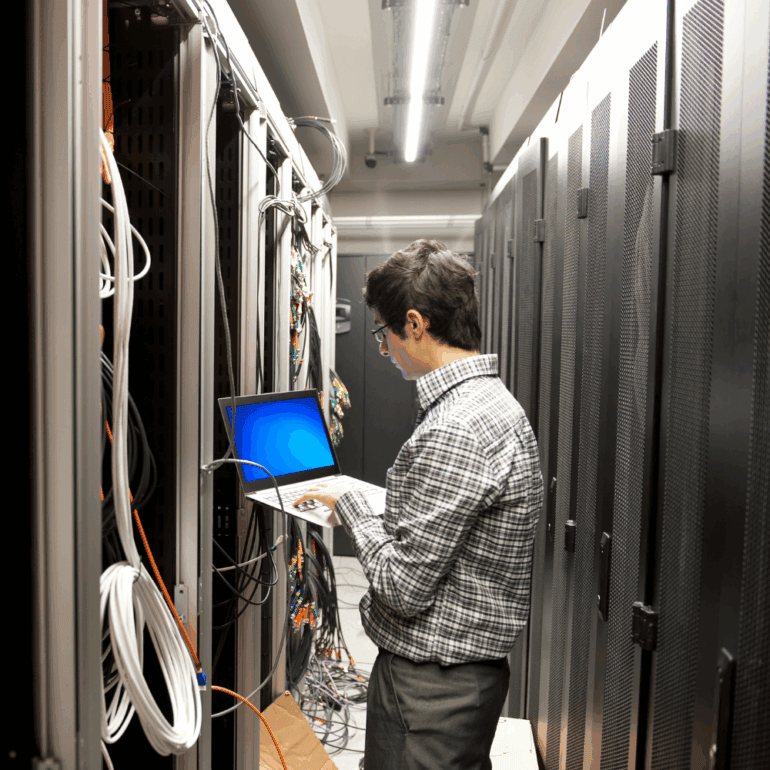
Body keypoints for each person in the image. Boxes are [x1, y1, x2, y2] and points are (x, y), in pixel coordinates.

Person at [293, 239, 543, 770]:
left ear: (415, 324)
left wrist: (352, 506)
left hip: (431, 689)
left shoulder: (455, 427)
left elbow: (403, 589)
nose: (385, 351)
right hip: (458, 681)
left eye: (383, 336)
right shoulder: (492, 404)